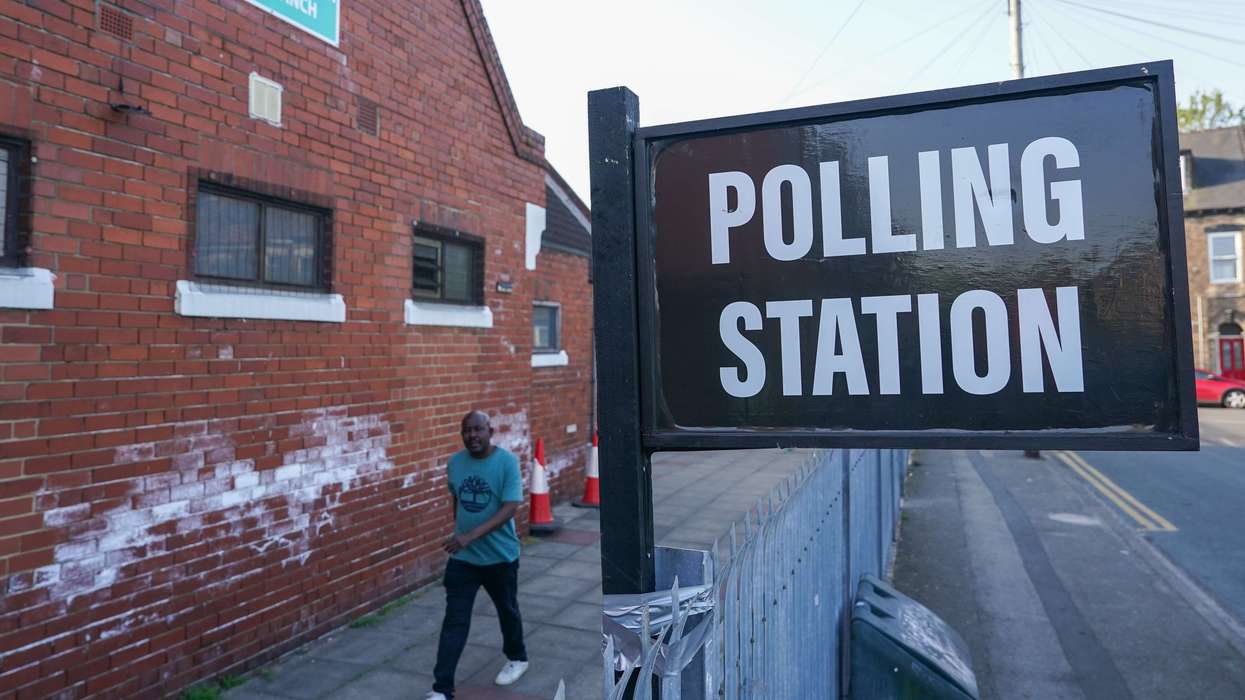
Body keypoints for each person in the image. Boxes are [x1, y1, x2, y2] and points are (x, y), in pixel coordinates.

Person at [426, 410, 529, 700]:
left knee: (507, 611)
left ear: (490, 431)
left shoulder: (506, 462)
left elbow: (510, 507)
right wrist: (460, 532)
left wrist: (468, 536)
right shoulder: (455, 463)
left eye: (477, 429)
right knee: (454, 621)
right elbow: (457, 498)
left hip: (500, 557)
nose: (472, 435)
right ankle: (442, 689)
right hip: (464, 560)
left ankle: (517, 657)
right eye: (466, 430)